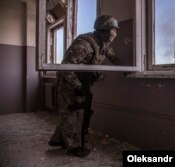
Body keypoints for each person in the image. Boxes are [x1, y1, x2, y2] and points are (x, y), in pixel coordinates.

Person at [48, 15, 122, 157]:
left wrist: (127, 70)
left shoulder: (103, 44)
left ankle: (57, 139)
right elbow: (65, 67)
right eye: (114, 30)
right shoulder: (84, 44)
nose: (116, 34)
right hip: (69, 81)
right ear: (104, 30)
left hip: (83, 81)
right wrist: (77, 85)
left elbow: (113, 58)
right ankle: (73, 147)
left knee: (77, 111)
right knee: (70, 112)